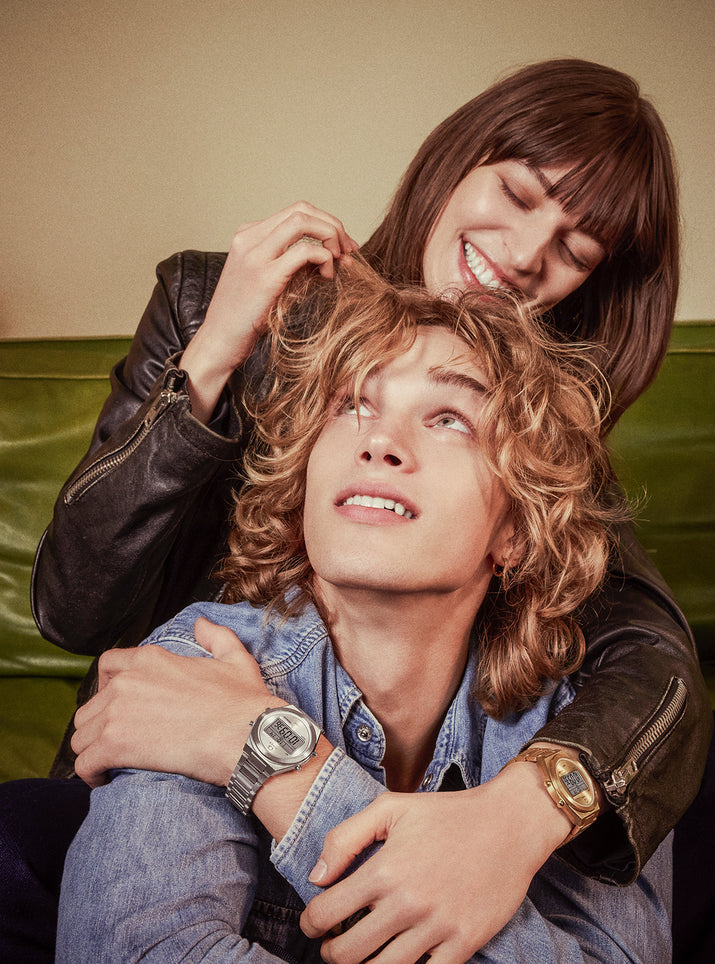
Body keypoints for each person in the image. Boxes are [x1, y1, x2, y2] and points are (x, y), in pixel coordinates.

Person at [3, 58, 715, 963]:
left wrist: (515, 813)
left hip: (427, 756)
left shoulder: (541, 442)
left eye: (577, 248)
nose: (530, 251)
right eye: (519, 191)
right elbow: (76, 609)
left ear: (520, 523)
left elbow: (654, 655)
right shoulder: (217, 311)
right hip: (181, 726)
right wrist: (217, 354)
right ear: (460, 161)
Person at [57, 260, 673, 963]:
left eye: (449, 419)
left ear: (517, 530)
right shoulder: (195, 673)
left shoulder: (580, 752)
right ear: (301, 482)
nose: (378, 441)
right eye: (352, 404)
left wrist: (270, 756)